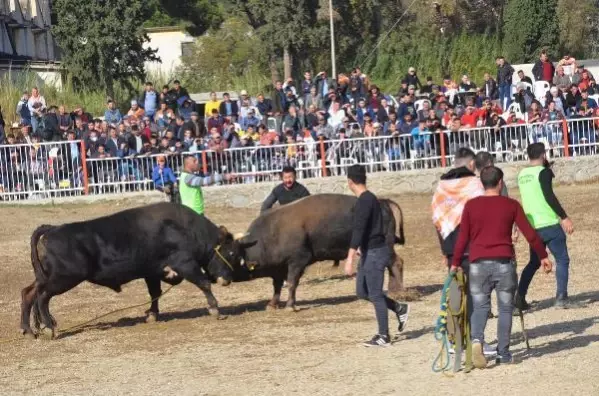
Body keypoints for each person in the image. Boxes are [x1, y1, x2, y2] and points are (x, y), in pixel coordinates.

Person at [451, 166, 552, 367]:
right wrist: (543, 256)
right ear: (500, 183)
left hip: (478, 264)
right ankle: (503, 354)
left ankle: (477, 340)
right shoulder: (511, 205)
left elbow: (462, 238)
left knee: (480, 306)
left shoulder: (471, 206)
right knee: (505, 308)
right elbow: (530, 233)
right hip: (504, 262)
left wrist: (455, 263)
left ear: (481, 183)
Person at [343, 165, 409, 347]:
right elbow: (370, 227)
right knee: (362, 292)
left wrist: (349, 259)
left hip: (375, 252)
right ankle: (398, 308)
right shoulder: (369, 199)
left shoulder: (365, 200)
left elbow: (358, 229)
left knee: (376, 294)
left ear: (349, 182)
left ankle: (384, 336)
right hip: (369, 250)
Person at [516, 143, 575, 309]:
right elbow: (548, 195)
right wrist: (563, 216)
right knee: (562, 259)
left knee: (534, 262)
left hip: (532, 226)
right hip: (548, 222)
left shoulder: (522, 174)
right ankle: (561, 297)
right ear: (543, 154)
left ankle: (519, 299)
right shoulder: (544, 172)